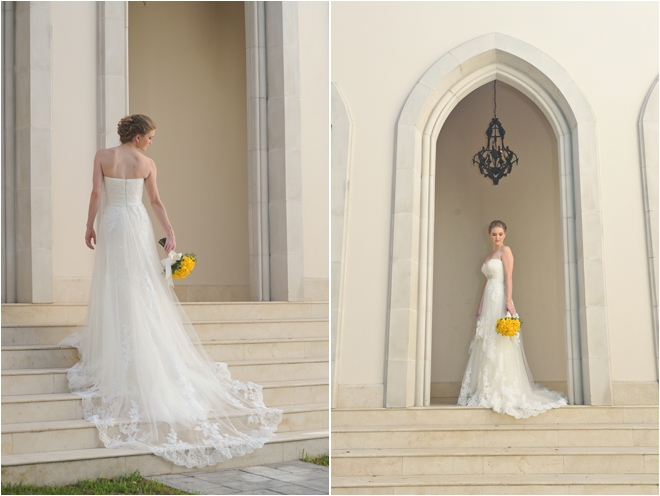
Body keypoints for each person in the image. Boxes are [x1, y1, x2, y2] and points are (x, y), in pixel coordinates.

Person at [60, 114, 282, 468]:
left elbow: (97, 194)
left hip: (114, 222)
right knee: (138, 282)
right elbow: (156, 203)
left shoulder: (103, 155)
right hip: (134, 222)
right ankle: (132, 337)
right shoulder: (146, 163)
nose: (151, 142)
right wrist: (170, 231)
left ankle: (120, 338)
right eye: (149, 136)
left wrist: (89, 225)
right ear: (135, 137)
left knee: (118, 281)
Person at [457, 220, 567, 418]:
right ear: (489, 235)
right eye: (494, 234)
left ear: (505, 234)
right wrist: (480, 306)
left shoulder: (505, 251)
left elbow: (508, 277)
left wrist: (507, 302)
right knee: (487, 341)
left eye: (500, 234)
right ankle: (487, 389)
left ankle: (503, 389)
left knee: (500, 341)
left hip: (499, 298)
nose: (497, 237)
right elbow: (485, 283)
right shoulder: (489, 255)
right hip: (489, 301)